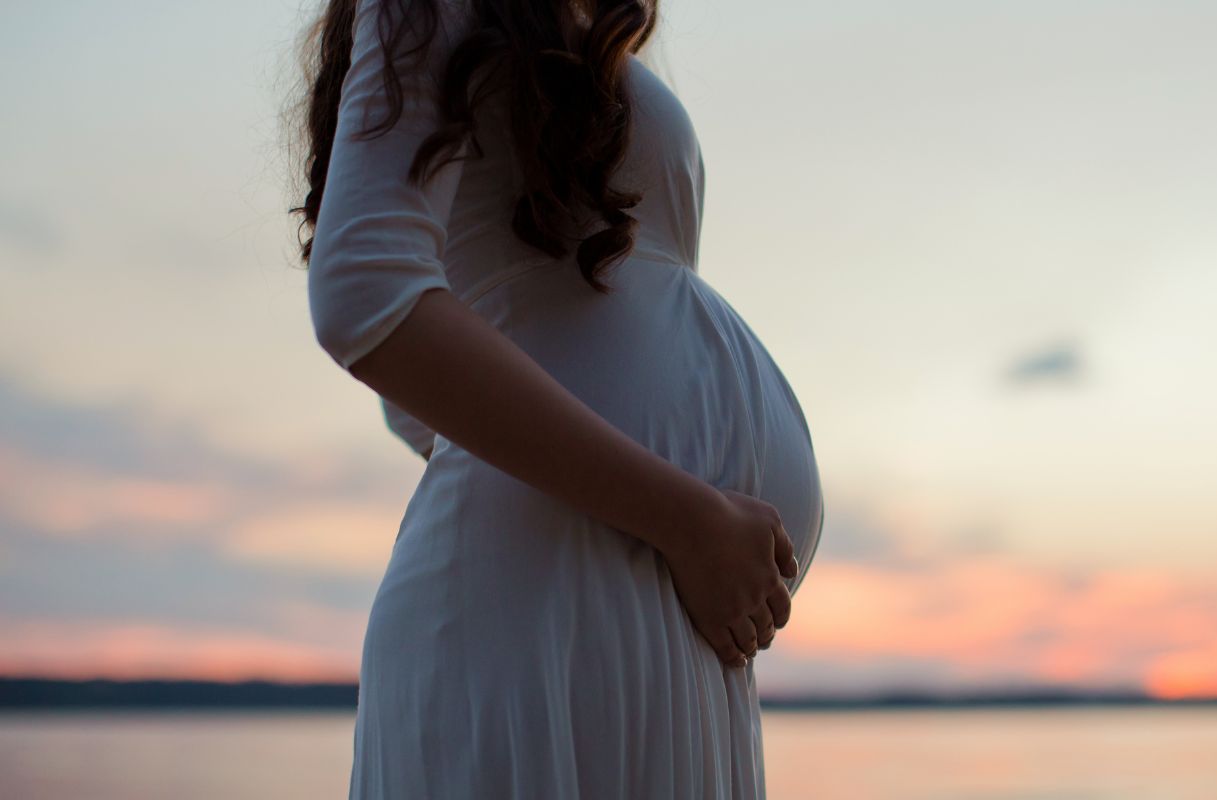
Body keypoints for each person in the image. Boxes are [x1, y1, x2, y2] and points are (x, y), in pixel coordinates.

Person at [291, 0, 823, 795]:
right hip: (550, 621)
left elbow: (429, 403)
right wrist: (688, 518)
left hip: (659, 631)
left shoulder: (567, 30)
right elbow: (366, 295)